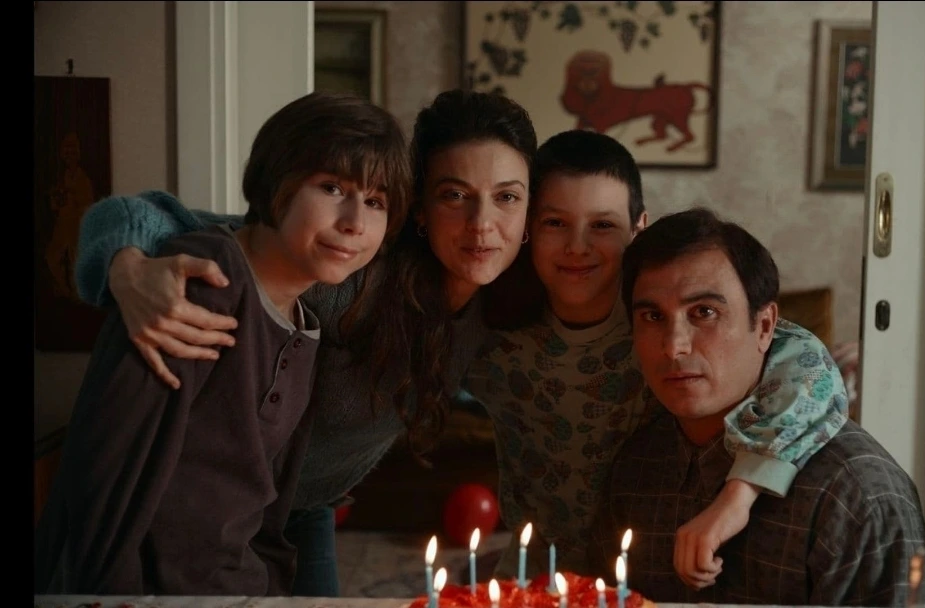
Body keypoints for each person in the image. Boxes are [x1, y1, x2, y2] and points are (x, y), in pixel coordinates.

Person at [70, 89, 537, 597]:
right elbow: (154, 218)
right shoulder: (353, 276)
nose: (482, 224)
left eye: (507, 197)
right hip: (218, 515)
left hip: (304, 511)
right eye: (454, 195)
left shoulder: (500, 309)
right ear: (420, 209)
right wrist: (127, 267)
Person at [34, 92, 411, 595]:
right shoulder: (195, 284)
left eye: (376, 202)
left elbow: (263, 505)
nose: (355, 223)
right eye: (332, 187)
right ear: (276, 179)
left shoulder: (307, 318)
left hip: (242, 587)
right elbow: (103, 474)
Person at [465, 130, 850, 588]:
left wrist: (740, 494)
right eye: (555, 223)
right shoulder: (494, 332)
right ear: (528, 228)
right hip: (536, 571)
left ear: (637, 230)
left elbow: (810, 366)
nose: (577, 246)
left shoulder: (659, 323)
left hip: (645, 562)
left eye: (602, 225)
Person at [592, 207, 925, 606]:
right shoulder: (635, 468)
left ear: (766, 326)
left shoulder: (855, 495)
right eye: (652, 316)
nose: (674, 346)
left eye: (704, 313)